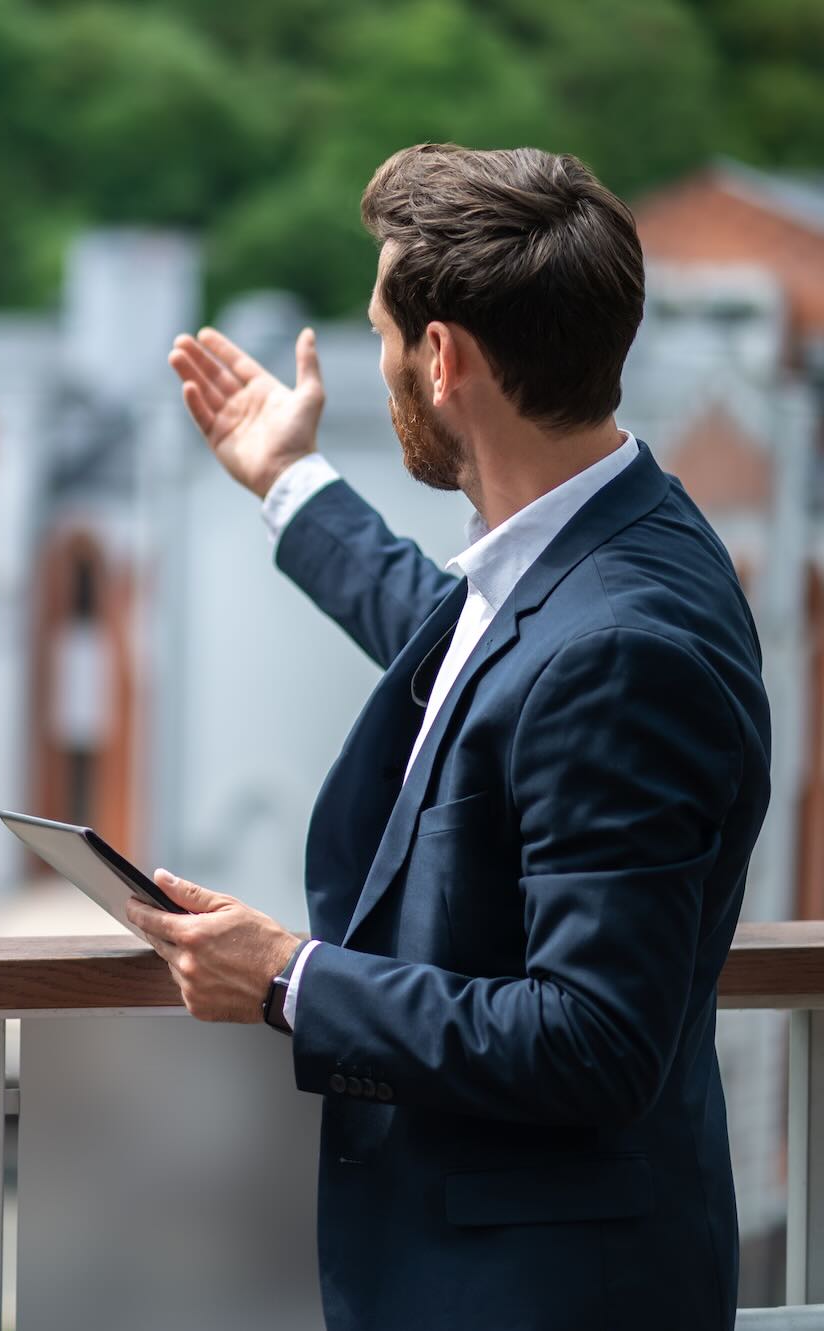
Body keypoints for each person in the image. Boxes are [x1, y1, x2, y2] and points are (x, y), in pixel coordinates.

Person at [144, 145, 768, 1330]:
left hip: (539, 1297)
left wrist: (287, 980)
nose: (379, 363)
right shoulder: (613, 531)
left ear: (440, 359)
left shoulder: (617, 647)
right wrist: (287, 481)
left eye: (382, 335)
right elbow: (468, 653)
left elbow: (593, 1039)